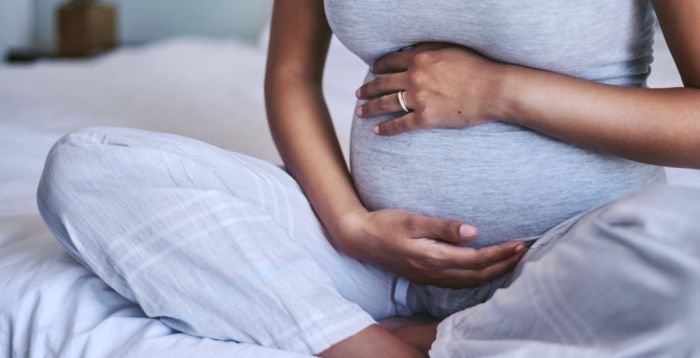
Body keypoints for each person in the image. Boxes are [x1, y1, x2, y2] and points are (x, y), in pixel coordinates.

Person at [37, 0, 700, 357]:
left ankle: (452, 339)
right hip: (376, 266)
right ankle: (363, 346)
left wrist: (499, 91)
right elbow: (292, 74)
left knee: (684, 249)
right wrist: (350, 225)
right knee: (89, 167)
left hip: (566, 255)